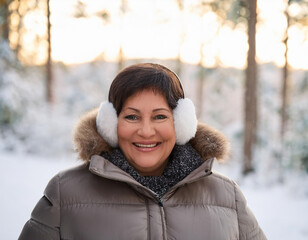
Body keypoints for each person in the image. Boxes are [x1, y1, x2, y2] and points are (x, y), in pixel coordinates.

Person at [19, 63, 267, 240]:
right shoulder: (65, 192)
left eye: (160, 116)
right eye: (132, 117)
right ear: (111, 124)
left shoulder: (227, 196)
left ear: (181, 123)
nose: (146, 131)